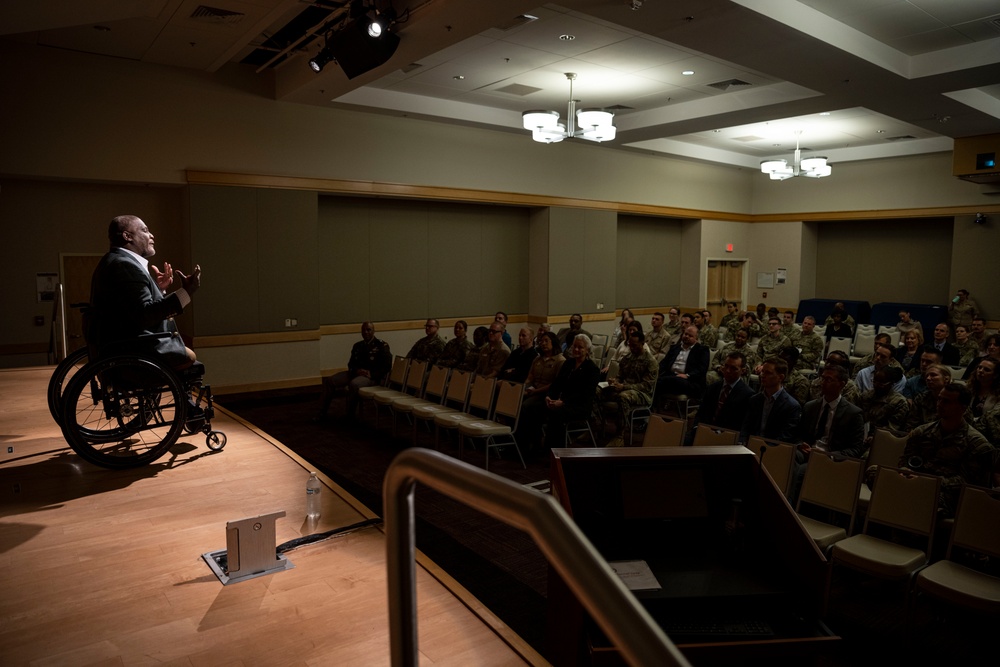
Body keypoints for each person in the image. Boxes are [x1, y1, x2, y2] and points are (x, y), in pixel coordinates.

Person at [87, 215, 201, 370]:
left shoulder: (114, 260)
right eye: (145, 230)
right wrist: (186, 292)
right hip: (131, 350)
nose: (152, 235)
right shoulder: (125, 265)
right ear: (127, 236)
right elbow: (145, 315)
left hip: (118, 345)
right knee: (189, 356)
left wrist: (159, 289)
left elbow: (129, 308)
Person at [897, 383, 998, 517]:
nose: (939, 404)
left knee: (922, 499)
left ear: (963, 408)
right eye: (939, 399)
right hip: (915, 483)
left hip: (947, 493)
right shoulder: (921, 432)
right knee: (875, 473)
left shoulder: (976, 444)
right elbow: (905, 460)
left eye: (947, 401)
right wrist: (905, 470)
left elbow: (968, 483)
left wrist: (927, 481)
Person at [792, 363, 866, 500]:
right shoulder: (810, 406)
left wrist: (828, 455)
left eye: (828, 380)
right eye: (822, 378)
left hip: (830, 458)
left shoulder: (853, 413)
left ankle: (789, 510)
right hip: (807, 452)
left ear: (841, 384)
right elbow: (797, 435)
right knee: (786, 460)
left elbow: (856, 449)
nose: (822, 383)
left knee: (799, 472)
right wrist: (801, 444)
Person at [317, 321, 391, 420]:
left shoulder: (381, 346)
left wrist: (371, 374)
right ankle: (321, 413)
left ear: (374, 331)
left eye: (368, 330)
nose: (366, 332)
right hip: (355, 373)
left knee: (354, 384)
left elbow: (386, 367)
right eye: (363, 330)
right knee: (329, 381)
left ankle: (349, 416)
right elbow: (351, 364)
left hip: (371, 377)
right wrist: (356, 371)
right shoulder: (357, 346)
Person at [598, 330, 658, 447]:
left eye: (634, 345)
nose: (631, 348)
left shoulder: (650, 361)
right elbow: (620, 376)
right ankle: (596, 425)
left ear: (642, 343)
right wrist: (615, 381)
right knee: (597, 390)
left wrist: (624, 386)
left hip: (642, 394)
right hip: (624, 389)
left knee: (623, 397)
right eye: (630, 345)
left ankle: (620, 436)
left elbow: (647, 386)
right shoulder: (627, 358)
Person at [544, 334, 601, 449]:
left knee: (557, 414)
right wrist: (549, 396)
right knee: (537, 407)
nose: (576, 349)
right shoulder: (568, 363)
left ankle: (557, 452)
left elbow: (584, 394)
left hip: (579, 405)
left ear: (587, 350)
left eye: (580, 347)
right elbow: (557, 383)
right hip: (563, 401)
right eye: (574, 346)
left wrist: (563, 402)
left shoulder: (592, 369)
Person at [690, 350, 754, 440]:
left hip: (726, 438)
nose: (727, 371)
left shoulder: (747, 394)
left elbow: (741, 425)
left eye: (733, 368)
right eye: (726, 366)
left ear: (743, 371)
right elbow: (701, 413)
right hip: (703, 433)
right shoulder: (712, 387)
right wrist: (696, 428)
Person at [740, 357, 801, 444]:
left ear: (781, 377)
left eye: (768, 373)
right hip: (750, 446)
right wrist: (742, 442)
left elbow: (785, 436)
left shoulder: (791, 406)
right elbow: (745, 428)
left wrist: (763, 447)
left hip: (773, 450)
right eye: (762, 371)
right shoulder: (754, 400)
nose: (762, 375)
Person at [656, 325, 710, 402]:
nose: (687, 336)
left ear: (696, 339)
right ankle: (651, 407)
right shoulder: (674, 348)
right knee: (655, 380)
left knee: (673, 381)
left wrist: (687, 375)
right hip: (671, 376)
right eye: (685, 334)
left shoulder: (702, 350)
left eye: (690, 336)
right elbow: (664, 363)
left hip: (689, 380)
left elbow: (702, 369)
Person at [857, 366, 910, 438]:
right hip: (862, 434)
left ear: (891, 383)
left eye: (881, 383)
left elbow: (893, 428)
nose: (876, 385)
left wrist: (875, 437)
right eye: (874, 381)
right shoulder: (866, 396)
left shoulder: (899, 402)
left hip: (885, 438)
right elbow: (858, 418)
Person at [906, 364, 952, 431]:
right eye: (926, 376)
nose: (928, 378)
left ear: (946, 379)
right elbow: (911, 423)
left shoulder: (956, 399)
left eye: (933, 375)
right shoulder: (921, 398)